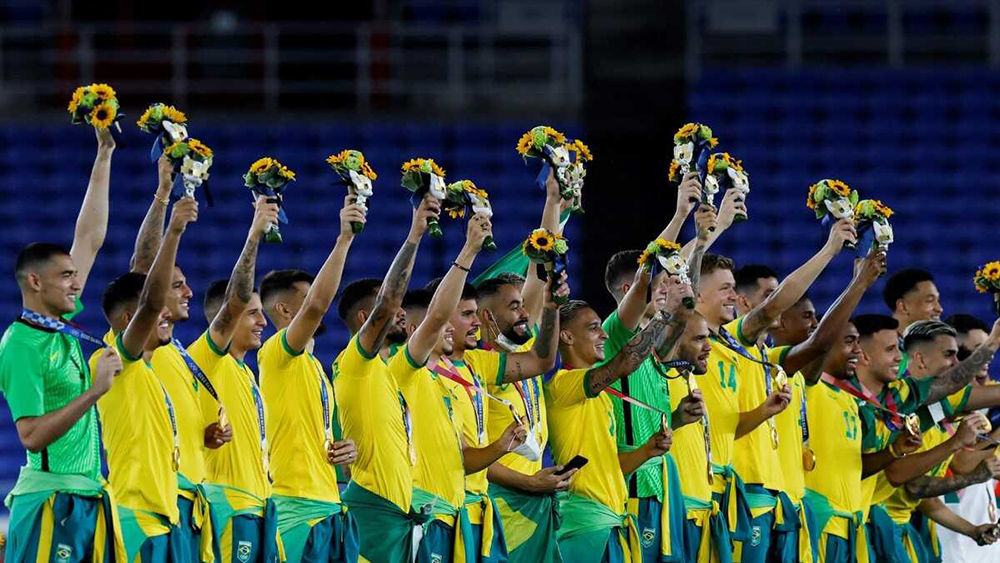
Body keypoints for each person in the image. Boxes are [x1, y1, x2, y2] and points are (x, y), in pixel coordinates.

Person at [0, 127, 128, 562]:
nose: (77, 283)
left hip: (87, 495)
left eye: (76, 275)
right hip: (51, 501)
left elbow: (89, 237)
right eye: (66, 277)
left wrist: (105, 153)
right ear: (36, 283)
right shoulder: (21, 345)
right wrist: (95, 390)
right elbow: (31, 436)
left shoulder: (59, 325)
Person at [391, 213, 530, 562]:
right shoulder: (406, 370)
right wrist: (469, 250)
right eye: (451, 319)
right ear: (416, 330)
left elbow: (463, 459)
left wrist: (502, 444)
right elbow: (438, 315)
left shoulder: (447, 384)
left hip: (458, 512)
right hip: (428, 511)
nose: (453, 327)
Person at [547, 273, 693, 563]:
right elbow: (626, 361)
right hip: (584, 524)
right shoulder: (563, 384)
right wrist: (664, 314)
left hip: (609, 518)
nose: (604, 335)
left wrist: (647, 450)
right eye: (593, 329)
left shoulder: (601, 396)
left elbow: (610, 467)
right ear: (567, 336)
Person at [129, 155, 227, 561]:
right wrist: (164, 194)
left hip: (190, 501)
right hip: (153, 505)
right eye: (177, 285)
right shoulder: (136, 345)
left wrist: (203, 437)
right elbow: (143, 267)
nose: (188, 293)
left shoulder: (177, 351)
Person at [257, 196, 366, 562]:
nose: (317, 305)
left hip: (329, 503)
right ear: (284, 309)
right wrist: (344, 239)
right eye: (306, 298)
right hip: (296, 508)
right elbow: (319, 304)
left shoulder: (315, 366)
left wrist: (344, 451)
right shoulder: (277, 352)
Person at [90, 197, 199, 561]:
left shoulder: (153, 368)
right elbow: (150, 297)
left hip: (165, 519)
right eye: (155, 311)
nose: (164, 313)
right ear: (128, 320)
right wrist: (175, 229)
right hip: (136, 518)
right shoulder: (115, 359)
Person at [333, 194, 439, 563]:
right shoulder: (355, 363)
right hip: (373, 514)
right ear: (366, 319)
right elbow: (390, 301)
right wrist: (415, 234)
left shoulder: (387, 370)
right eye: (389, 307)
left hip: (398, 513)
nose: (401, 313)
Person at [188, 196, 282, 562]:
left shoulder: (246, 372)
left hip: (259, 509)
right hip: (229, 510)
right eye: (253, 313)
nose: (262, 321)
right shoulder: (207, 358)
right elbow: (235, 301)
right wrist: (255, 234)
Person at [883, 268, 943, 375]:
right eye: (930, 300)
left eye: (938, 301)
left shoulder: (944, 350)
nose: (939, 309)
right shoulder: (879, 352)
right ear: (903, 306)